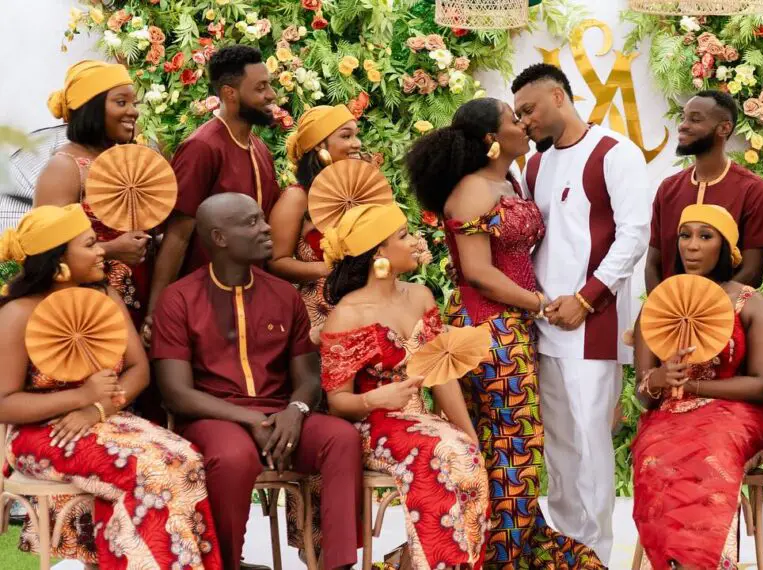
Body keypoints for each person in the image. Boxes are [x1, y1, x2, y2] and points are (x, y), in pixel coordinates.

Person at [406, 97, 603, 567]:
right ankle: (498, 554)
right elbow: (476, 271)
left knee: (515, 442)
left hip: (512, 329)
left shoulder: (509, 180)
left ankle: (508, 543)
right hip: (486, 330)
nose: (524, 124)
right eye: (514, 120)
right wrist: (537, 303)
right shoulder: (473, 189)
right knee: (509, 440)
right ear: (492, 140)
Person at [0, 204, 220, 568]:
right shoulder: (17, 314)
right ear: (58, 264)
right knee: (147, 468)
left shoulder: (104, 296)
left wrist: (96, 408)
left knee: (184, 457)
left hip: (103, 417)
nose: (102, 249)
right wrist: (81, 397)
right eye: (90, 244)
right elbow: (4, 403)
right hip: (39, 432)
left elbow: (138, 370)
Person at [150, 193, 361, 570]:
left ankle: (339, 564)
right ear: (219, 238)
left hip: (280, 417)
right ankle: (227, 563)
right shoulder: (178, 299)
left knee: (341, 438)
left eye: (262, 219)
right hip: (211, 419)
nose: (266, 228)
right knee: (233, 457)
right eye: (251, 223)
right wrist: (248, 419)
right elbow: (176, 393)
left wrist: (295, 410)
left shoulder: (283, 295)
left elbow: (308, 376)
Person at [512, 63, 651, 563]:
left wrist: (588, 298)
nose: (523, 121)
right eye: (518, 114)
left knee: (591, 445)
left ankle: (596, 556)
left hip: (593, 325)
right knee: (559, 447)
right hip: (544, 324)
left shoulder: (615, 152)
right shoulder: (532, 166)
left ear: (558, 97)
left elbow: (635, 234)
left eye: (529, 110)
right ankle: (566, 552)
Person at [318, 203, 489, 568]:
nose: (415, 241)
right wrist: (373, 399)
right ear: (378, 251)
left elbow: (441, 375)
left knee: (466, 454)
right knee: (443, 454)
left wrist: (467, 431)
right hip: (372, 424)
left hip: (423, 422)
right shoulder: (348, 313)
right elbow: (337, 402)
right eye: (404, 236)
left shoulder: (420, 296)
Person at [631, 204, 763, 569]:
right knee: (655, 458)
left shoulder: (749, 302)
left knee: (709, 454)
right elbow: (643, 393)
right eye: (685, 235)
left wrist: (695, 387)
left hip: (738, 413)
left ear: (726, 247)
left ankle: (706, 562)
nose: (692, 246)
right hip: (669, 416)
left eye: (705, 236)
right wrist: (661, 380)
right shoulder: (661, 303)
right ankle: (672, 562)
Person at [149, 45, 281, 326]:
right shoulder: (202, 147)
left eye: (269, 86)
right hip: (204, 305)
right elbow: (178, 236)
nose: (271, 95)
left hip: (252, 298)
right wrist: (156, 314)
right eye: (260, 88)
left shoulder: (260, 149)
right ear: (229, 93)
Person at [34, 60, 154, 328]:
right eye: (121, 102)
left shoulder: (126, 158)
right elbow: (44, 252)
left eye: (134, 103)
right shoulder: (65, 167)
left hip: (142, 296)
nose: (133, 112)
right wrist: (113, 249)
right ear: (91, 109)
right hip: (89, 308)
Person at [645, 91, 763, 292]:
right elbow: (653, 264)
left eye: (695, 119)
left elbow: (752, 272)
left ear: (724, 128)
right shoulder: (668, 189)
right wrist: (665, 309)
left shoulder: (752, 189)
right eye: (683, 118)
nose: (683, 125)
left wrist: (705, 307)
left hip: (726, 316)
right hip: (670, 314)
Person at [268, 104, 360, 338]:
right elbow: (275, 262)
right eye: (346, 136)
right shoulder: (296, 198)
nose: (357, 143)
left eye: (356, 135)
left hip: (367, 307)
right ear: (319, 145)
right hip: (321, 316)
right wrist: (329, 268)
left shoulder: (358, 191)